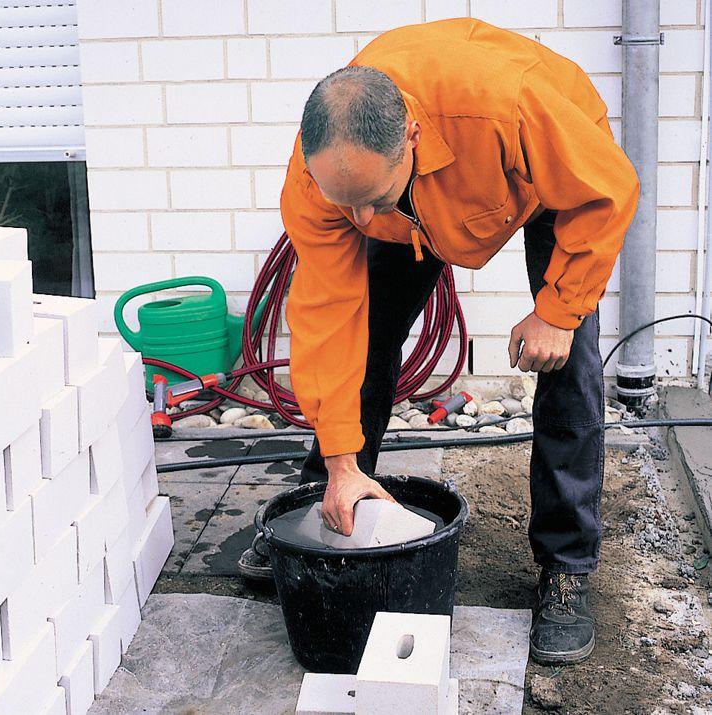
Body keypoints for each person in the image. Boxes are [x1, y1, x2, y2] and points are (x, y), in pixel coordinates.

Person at [239, 17, 639, 665]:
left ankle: (567, 567)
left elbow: (609, 190)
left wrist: (559, 313)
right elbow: (327, 316)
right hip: (419, 202)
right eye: (347, 207)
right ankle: (331, 494)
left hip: (545, 180)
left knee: (568, 365)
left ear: (413, 139)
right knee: (362, 338)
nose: (360, 222)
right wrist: (341, 459)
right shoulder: (327, 177)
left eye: (370, 199)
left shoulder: (512, 104)